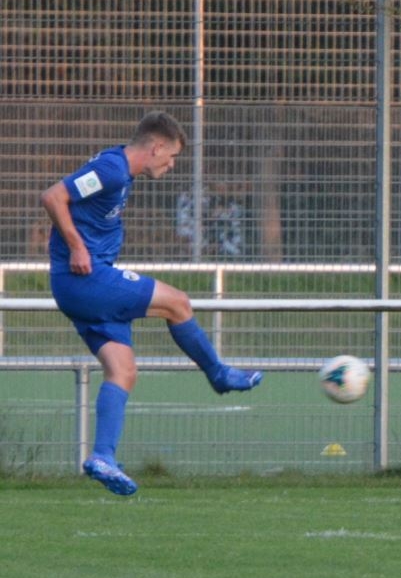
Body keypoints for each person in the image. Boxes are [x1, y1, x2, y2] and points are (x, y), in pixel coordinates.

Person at [41, 111, 262, 496]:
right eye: (172, 156)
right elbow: (53, 196)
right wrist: (76, 246)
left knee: (123, 371)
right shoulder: (112, 169)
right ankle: (218, 374)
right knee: (178, 302)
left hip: (81, 286)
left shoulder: (119, 171)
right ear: (156, 146)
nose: (171, 165)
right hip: (86, 280)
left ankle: (103, 457)